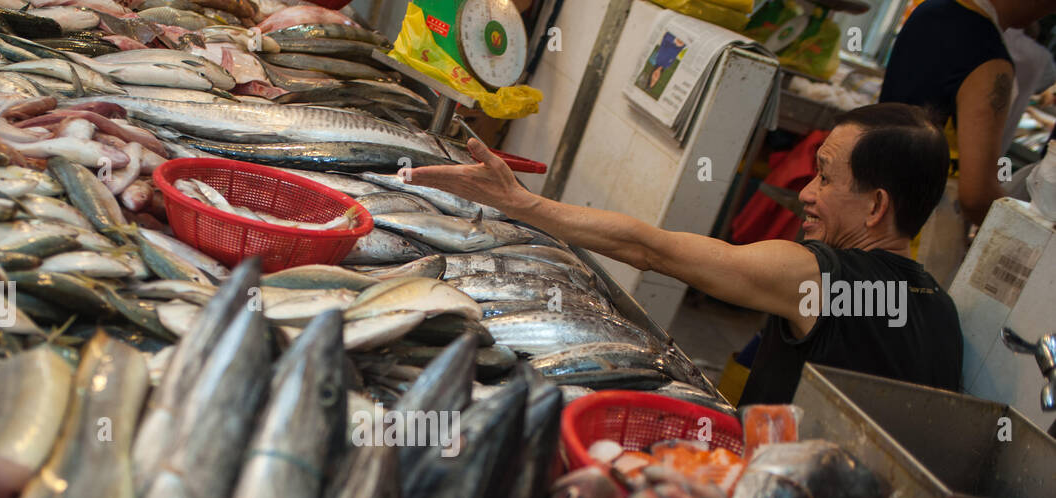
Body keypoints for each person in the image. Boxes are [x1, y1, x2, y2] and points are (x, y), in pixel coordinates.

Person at [408, 103, 964, 406]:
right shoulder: (941, 309)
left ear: (876, 207)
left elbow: (648, 248)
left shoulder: (819, 277)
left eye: (824, 176)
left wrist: (519, 203)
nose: (806, 193)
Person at [881, 0, 1056, 227]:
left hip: (877, 192)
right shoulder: (989, 57)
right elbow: (976, 196)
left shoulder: (931, 9)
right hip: (920, 223)